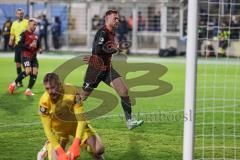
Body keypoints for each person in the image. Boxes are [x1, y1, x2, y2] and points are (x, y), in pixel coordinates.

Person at [81, 9, 144, 130]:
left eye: (118, 18)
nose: (117, 20)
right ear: (107, 18)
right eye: (115, 18)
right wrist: (115, 49)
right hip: (95, 69)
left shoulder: (112, 32)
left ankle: (129, 121)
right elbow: (98, 50)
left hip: (108, 69)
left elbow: (108, 49)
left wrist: (115, 48)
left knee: (124, 92)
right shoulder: (102, 32)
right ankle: (62, 111)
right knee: (82, 98)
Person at [37, 73, 104, 160]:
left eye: (53, 87)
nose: (50, 91)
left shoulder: (72, 91)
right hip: (59, 131)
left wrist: (76, 144)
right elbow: (47, 129)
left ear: (60, 85)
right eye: (47, 88)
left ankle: (87, 146)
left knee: (99, 149)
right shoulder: (44, 102)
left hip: (75, 125)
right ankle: (46, 147)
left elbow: (81, 119)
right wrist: (60, 152)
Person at [8, 18, 41, 96]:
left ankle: (28, 90)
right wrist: (29, 46)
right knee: (28, 71)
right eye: (34, 25)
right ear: (29, 25)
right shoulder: (24, 34)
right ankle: (13, 84)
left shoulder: (36, 36)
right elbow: (19, 44)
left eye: (36, 25)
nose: (35, 26)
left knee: (35, 72)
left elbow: (38, 46)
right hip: (26, 56)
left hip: (33, 57)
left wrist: (40, 49)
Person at [9, 8, 28, 87]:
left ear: (23, 14)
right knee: (17, 64)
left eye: (21, 13)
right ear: (16, 14)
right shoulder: (14, 24)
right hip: (17, 46)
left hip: (25, 46)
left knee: (26, 66)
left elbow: (30, 32)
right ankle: (19, 82)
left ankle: (30, 78)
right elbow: (12, 34)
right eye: (18, 13)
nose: (20, 15)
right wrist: (11, 40)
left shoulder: (27, 22)